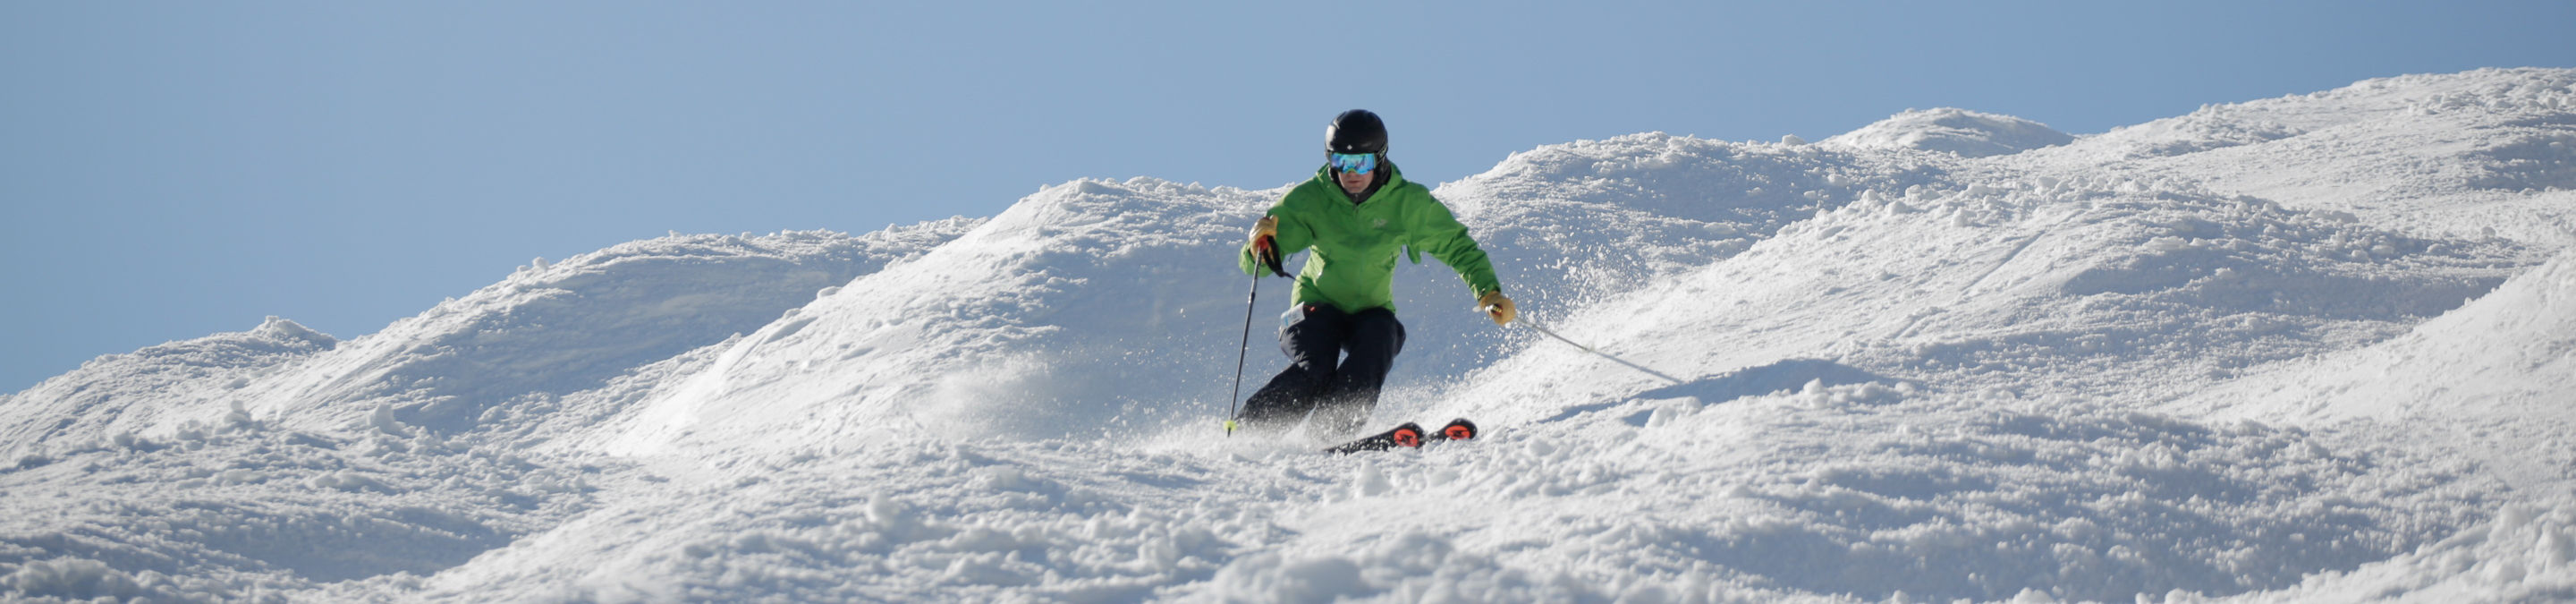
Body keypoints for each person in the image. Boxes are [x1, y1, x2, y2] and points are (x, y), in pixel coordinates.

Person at [1233, 109, 1516, 438]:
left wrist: (1488, 292)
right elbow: (1256, 262)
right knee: (1316, 371)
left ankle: (1329, 434)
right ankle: (1247, 433)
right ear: (1330, 160)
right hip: (1316, 308)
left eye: (1362, 163)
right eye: (1342, 162)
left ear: (1380, 159)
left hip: (1370, 311)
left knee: (1379, 341)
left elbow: (1457, 246)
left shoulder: (1407, 204)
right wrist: (1260, 247)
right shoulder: (1310, 200)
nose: (1352, 173)